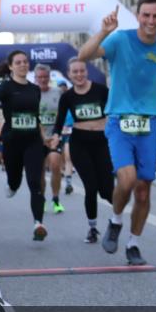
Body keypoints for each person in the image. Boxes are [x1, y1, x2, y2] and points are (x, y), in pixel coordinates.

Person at [78, 0, 156, 266]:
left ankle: (133, 244)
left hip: (149, 123)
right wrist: (103, 32)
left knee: (143, 190)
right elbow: (83, 56)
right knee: (127, 179)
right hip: (119, 121)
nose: (151, 21)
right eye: (146, 15)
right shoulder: (120, 39)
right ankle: (116, 220)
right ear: (137, 15)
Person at [0, 50, 47, 240]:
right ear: (11, 66)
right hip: (12, 141)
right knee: (15, 180)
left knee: (35, 182)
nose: (23, 65)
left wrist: (44, 137)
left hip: (33, 141)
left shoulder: (35, 89)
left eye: (25, 62)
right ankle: (12, 184)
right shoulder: (6, 87)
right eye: (18, 62)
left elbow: (36, 118)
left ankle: (38, 224)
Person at [51, 58, 114, 244]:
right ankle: (92, 228)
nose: (79, 75)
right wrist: (55, 135)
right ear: (69, 75)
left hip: (102, 142)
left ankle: (116, 220)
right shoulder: (67, 97)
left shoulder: (101, 90)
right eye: (75, 72)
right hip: (80, 143)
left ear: (86, 71)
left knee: (107, 191)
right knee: (91, 187)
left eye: (81, 71)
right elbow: (59, 120)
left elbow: (114, 112)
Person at [35, 64, 65, 215]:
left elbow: (64, 113)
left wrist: (58, 133)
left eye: (45, 77)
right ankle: (42, 199)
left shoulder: (58, 92)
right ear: (35, 78)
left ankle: (56, 198)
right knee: (40, 171)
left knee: (55, 165)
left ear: (49, 77)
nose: (43, 80)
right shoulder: (32, 93)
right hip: (38, 138)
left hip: (54, 137)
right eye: (40, 77)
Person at [59, 79, 75, 195]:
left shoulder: (72, 99)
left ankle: (68, 183)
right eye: (60, 87)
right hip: (58, 132)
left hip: (70, 131)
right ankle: (61, 173)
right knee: (60, 159)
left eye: (63, 86)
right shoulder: (55, 100)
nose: (62, 88)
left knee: (68, 157)